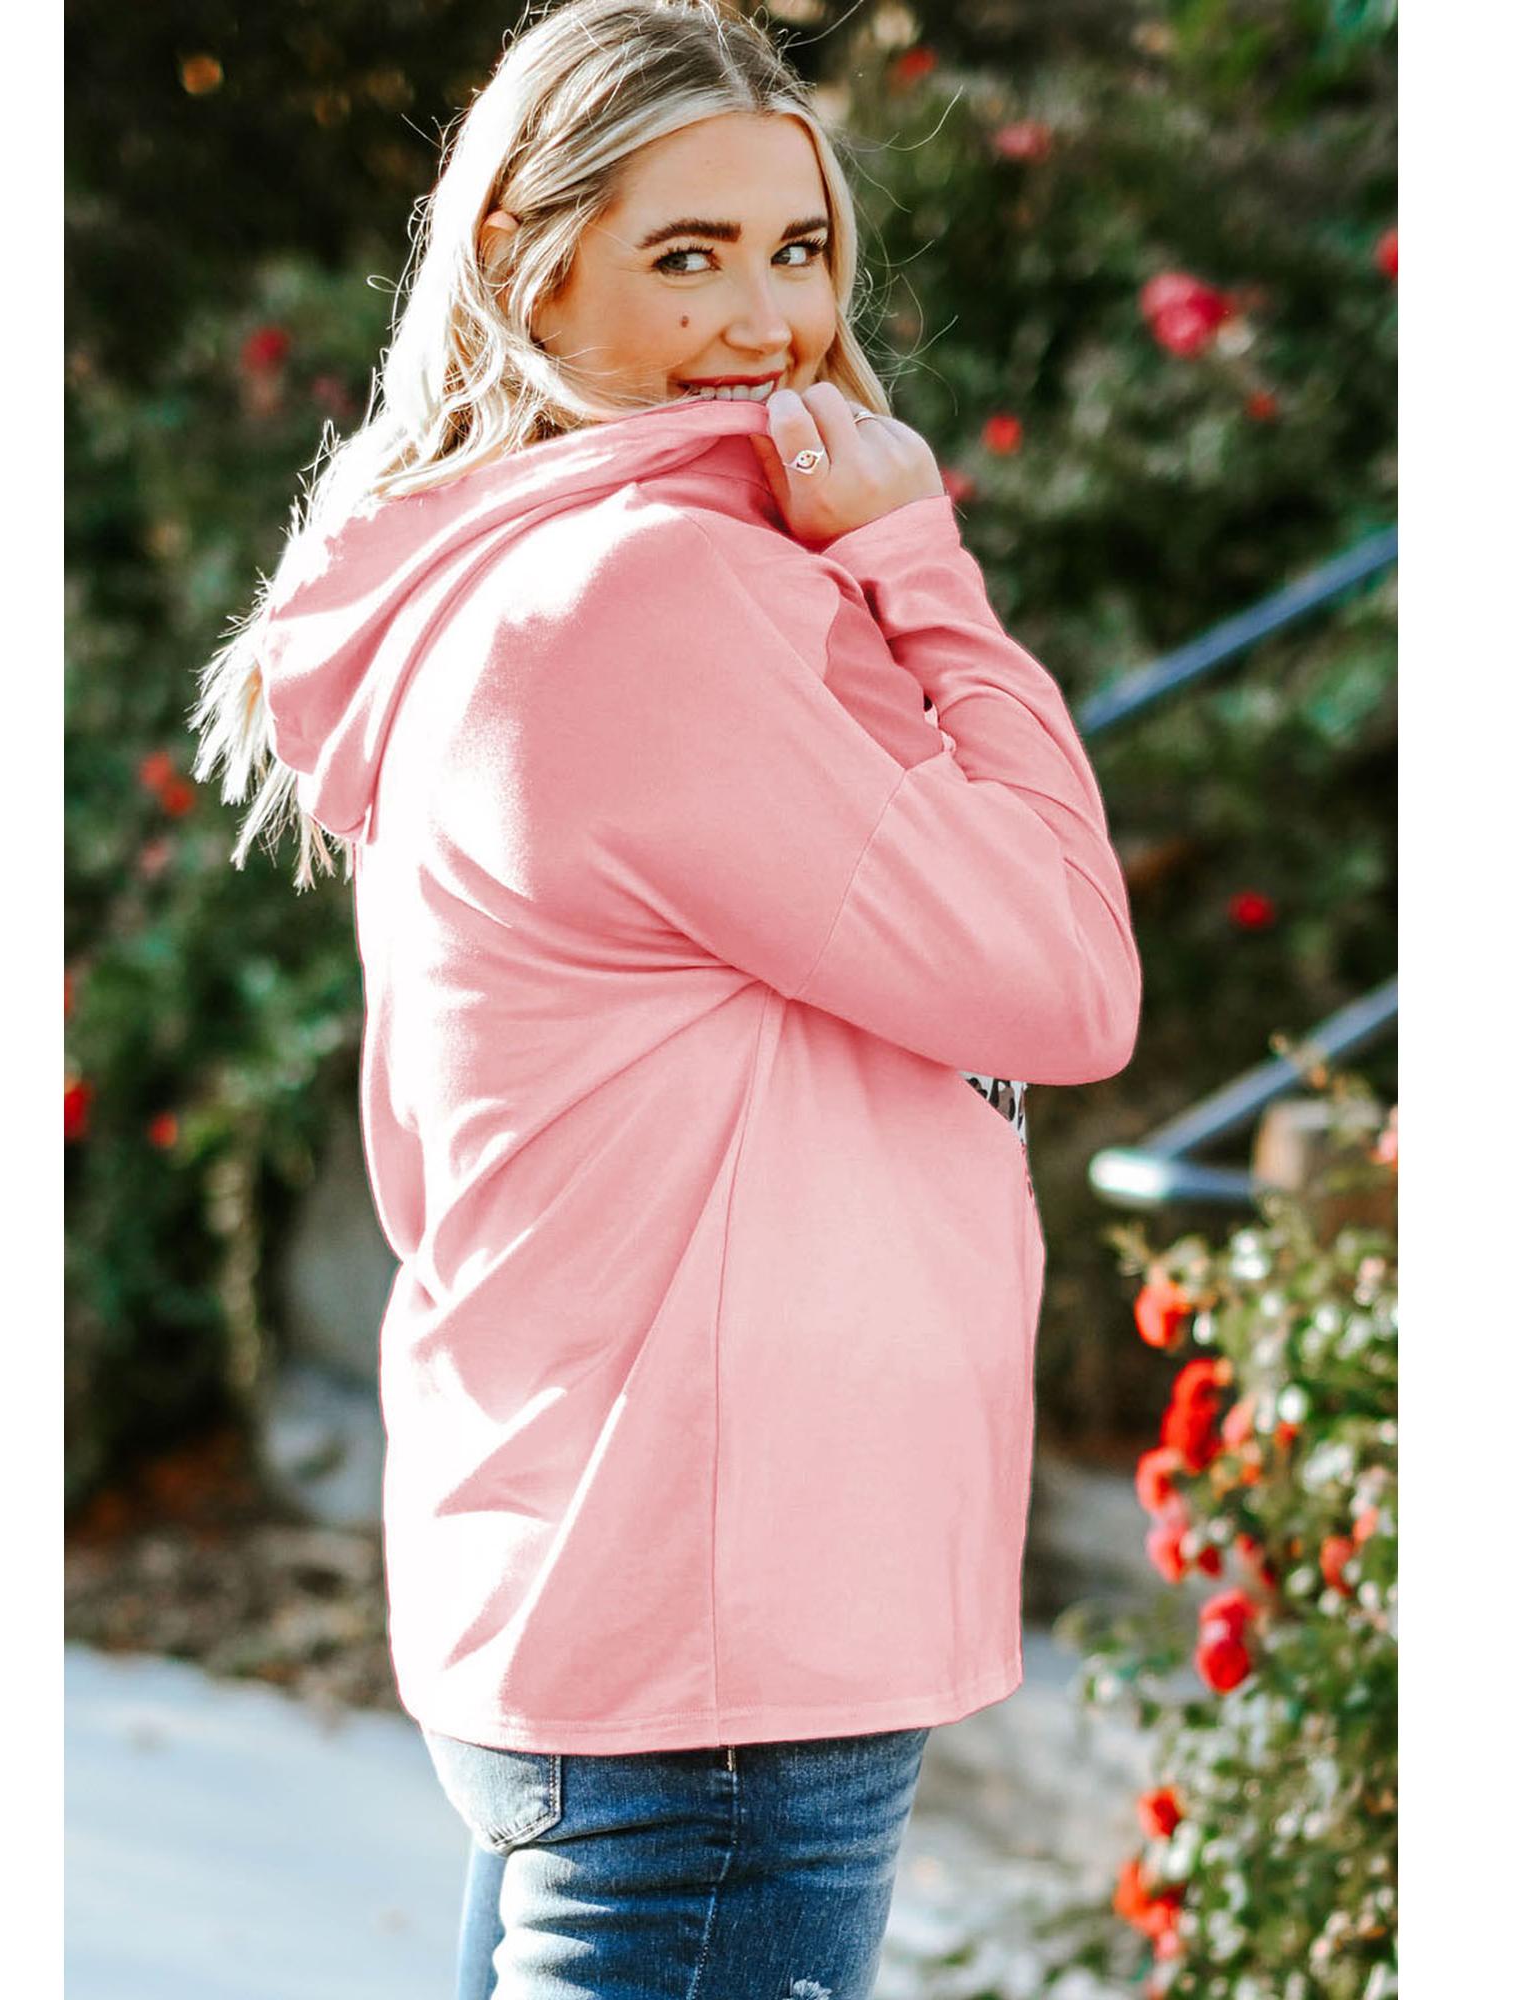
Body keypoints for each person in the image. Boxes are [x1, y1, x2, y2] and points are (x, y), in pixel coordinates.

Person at [189, 2, 1143, 1993]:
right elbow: (1065, 978)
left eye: (796, 250)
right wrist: (920, 566)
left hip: (621, 1578)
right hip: (722, 1618)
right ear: (529, 265)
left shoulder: (507, 579)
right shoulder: (649, 598)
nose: (766, 323)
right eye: (686, 254)